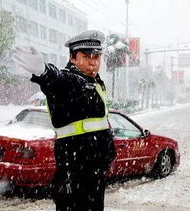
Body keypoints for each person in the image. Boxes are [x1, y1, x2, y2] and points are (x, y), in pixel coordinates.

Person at [12, 30, 116, 211]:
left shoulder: (95, 83)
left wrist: (107, 155)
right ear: (73, 58)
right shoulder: (71, 81)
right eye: (87, 56)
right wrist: (42, 71)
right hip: (74, 176)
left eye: (96, 56)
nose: (93, 61)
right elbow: (57, 79)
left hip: (93, 173)